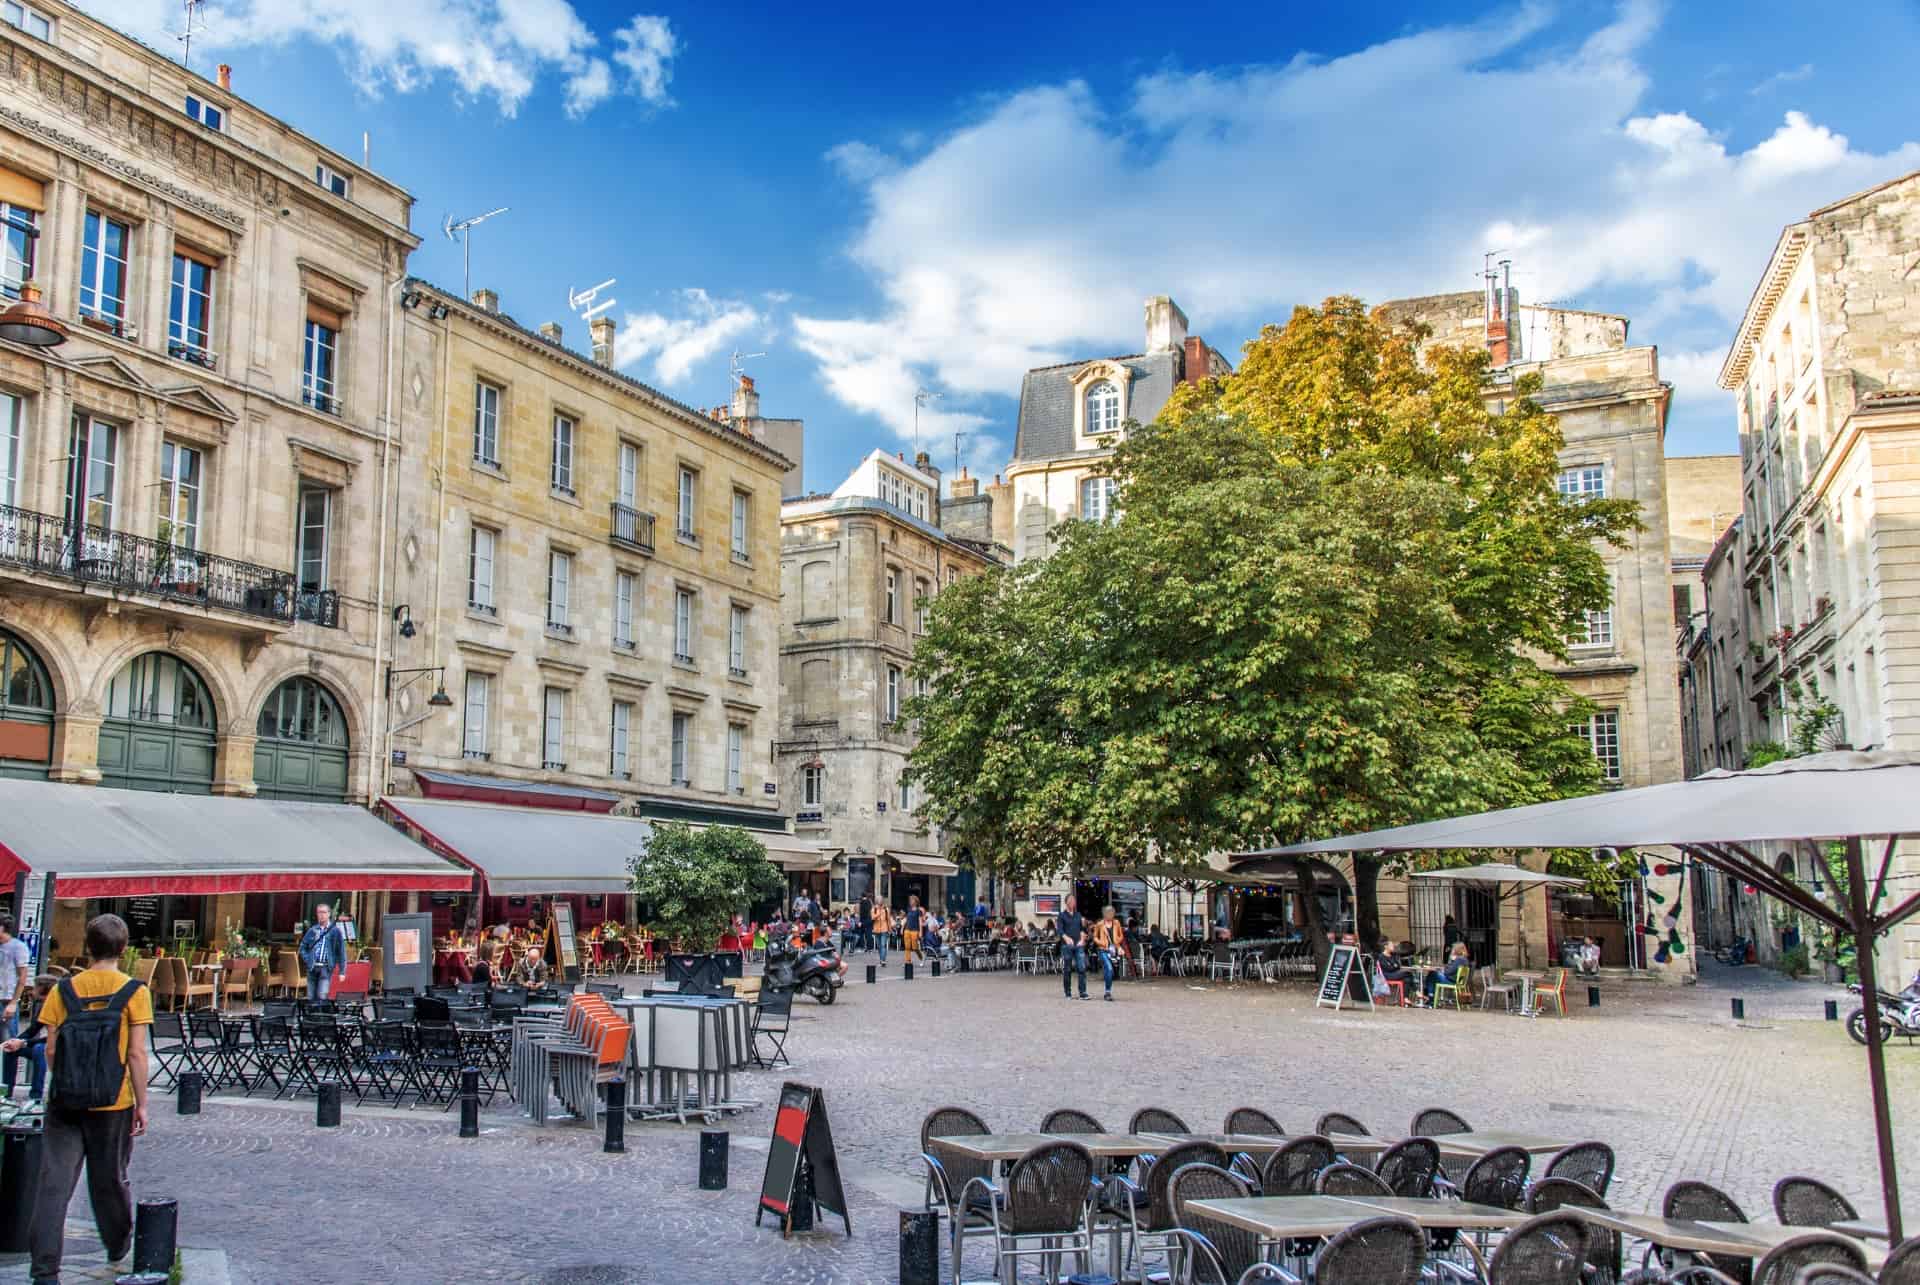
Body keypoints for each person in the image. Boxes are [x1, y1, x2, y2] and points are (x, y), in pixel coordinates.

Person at [32, 913, 151, 1285]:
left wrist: (67, 1079)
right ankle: (117, 1244)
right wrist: (142, 1104)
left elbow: (50, 1050)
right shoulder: (135, 991)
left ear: (87, 947)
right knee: (110, 1179)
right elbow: (136, 1055)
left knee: (54, 1185)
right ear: (124, 948)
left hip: (65, 1101)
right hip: (113, 1102)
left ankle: (45, 1271)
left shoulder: (62, 990)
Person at [2, 975, 53, 1100]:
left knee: (39, 1050)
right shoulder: (42, 1006)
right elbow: (33, 1029)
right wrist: (14, 1041)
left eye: (35, 987)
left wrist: (23, 1042)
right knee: (11, 1049)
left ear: (42, 988)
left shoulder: (56, 1006)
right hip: (46, 1044)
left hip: (58, 1047)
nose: (32, 991)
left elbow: (51, 1038)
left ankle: (36, 1096)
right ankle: (6, 1093)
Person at [297, 903, 346, 1000]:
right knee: (311, 996)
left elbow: (341, 952)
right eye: (319, 912)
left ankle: (320, 1014)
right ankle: (312, 1015)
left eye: (324, 912)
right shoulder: (313, 930)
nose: (321, 915)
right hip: (312, 967)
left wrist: (342, 971)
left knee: (322, 995)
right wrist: (307, 959)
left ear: (329, 914)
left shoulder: (335, 931)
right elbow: (302, 947)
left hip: (325, 968)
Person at [0, 914, 30, 1045]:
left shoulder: (18, 947)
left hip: (6, 1001)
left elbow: (22, 977)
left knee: (8, 1044)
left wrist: (13, 1003)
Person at [1090, 905, 1127, 1001]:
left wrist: (1117, 942)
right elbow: (1094, 937)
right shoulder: (1099, 924)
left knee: (1110, 970)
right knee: (1109, 968)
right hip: (1103, 949)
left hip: (1113, 950)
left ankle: (1108, 989)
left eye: (1111, 913)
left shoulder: (1117, 923)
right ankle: (1107, 992)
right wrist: (1101, 943)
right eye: (1108, 913)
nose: (1110, 915)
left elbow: (1121, 935)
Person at [1057, 895, 1089, 1000]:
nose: (1072, 903)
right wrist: (1066, 938)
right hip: (1067, 945)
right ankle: (1068, 992)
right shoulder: (1061, 915)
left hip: (1078, 945)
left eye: (1074, 901)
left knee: (1082, 968)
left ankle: (1083, 992)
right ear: (1066, 902)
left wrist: (1082, 939)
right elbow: (1060, 930)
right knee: (1067, 969)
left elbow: (1082, 929)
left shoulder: (1078, 915)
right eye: (1070, 901)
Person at [902, 896, 924, 964]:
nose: (910, 902)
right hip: (907, 929)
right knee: (907, 946)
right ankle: (908, 961)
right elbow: (906, 919)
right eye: (910, 900)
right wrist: (902, 927)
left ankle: (920, 955)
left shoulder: (918, 911)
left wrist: (921, 932)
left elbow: (920, 922)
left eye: (912, 900)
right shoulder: (908, 909)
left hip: (915, 930)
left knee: (914, 947)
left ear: (916, 902)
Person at [871, 901, 892, 966]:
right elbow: (872, 918)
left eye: (881, 904)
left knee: (883, 945)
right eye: (879, 904)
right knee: (879, 946)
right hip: (876, 930)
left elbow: (888, 920)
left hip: (884, 929)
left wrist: (889, 929)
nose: (880, 905)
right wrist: (879, 913)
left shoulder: (886, 910)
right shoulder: (873, 909)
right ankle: (881, 960)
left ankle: (883, 961)